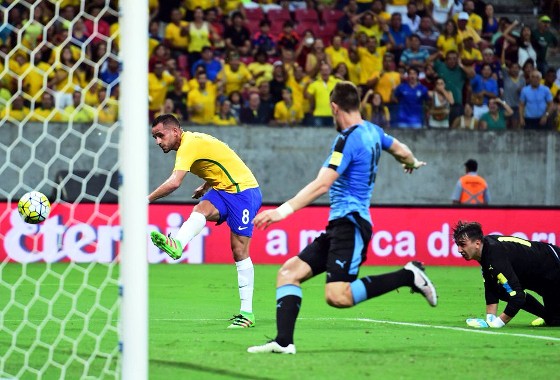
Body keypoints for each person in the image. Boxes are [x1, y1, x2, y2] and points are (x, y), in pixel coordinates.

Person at [246, 81, 437, 355]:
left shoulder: (347, 138)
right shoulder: (374, 131)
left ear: (334, 107)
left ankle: (408, 275)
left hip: (351, 223)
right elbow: (402, 151)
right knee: (288, 273)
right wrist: (412, 164)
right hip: (340, 224)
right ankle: (284, 342)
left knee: (338, 296)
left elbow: (322, 184)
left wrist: (281, 211)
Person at [149, 114, 262, 329]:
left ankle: (247, 314)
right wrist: (205, 186)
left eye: (160, 136)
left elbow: (174, 183)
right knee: (201, 209)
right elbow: (218, 160)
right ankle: (177, 244)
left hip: (244, 192)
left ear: (175, 131)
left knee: (239, 250)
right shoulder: (191, 142)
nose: (158, 142)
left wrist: (145, 200)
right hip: (223, 189)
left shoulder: (188, 145)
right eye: (154, 137)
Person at [453, 221, 560, 328]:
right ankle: (549, 316)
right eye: (458, 245)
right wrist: (490, 320)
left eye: (463, 245)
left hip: (555, 268)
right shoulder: (485, 251)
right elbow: (491, 287)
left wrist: (497, 324)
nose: (459, 250)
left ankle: (551, 316)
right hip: (540, 277)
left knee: (554, 320)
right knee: (501, 290)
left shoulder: (495, 257)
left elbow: (517, 297)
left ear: (477, 243)